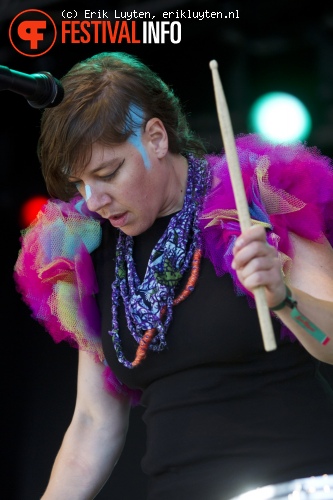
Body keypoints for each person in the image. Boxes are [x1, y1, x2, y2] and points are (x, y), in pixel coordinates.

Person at [14, 51, 333, 500]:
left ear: (157, 138)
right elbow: (92, 423)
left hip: (295, 483)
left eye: (108, 173)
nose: (95, 199)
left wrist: (284, 300)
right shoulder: (93, 252)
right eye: (80, 183)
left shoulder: (256, 196)